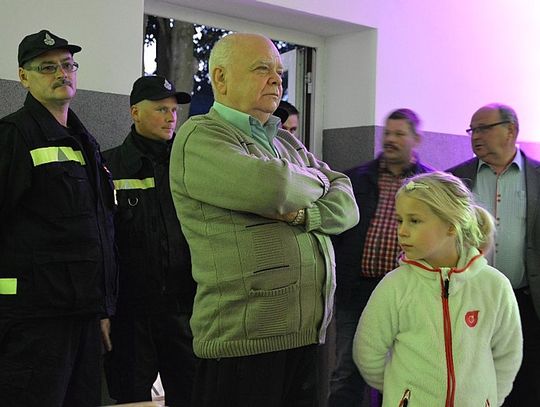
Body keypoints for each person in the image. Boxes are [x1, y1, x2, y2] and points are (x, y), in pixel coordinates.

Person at [169, 32, 359, 407]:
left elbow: (348, 203)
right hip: (244, 345)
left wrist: (307, 213)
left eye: (279, 72)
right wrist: (321, 181)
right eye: (262, 69)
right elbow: (274, 187)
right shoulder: (201, 136)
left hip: (308, 339)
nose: (276, 80)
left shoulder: (285, 141)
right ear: (220, 77)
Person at [0, 29, 117, 407]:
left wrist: (102, 309)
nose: (62, 74)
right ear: (24, 77)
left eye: (67, 65)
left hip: (83, 316)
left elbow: (99, 231)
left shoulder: (85, 141)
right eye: (48, 67)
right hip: (33, 320)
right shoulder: (13, 135)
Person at [353, 171, 522, 406]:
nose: (402, 231)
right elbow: (368, 352)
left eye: (414, 221)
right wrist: (401, 392)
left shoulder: (494, 286)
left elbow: (508, 355)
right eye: (400, 220)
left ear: (451, 226)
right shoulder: (394, 286)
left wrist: (490, 399)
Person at [102, 75, 197, 406]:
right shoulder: (109, 167)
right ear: (135, 113)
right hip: (131, 315)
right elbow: (102, 245)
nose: (171, 117)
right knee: (131, 398)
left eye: (174, 110)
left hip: (185, 310)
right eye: (161, 109)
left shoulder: (190, 166)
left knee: (192, 394)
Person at [328, 108, 433, 407]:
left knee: (402, 369)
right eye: (387, 132)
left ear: (416, 139)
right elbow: (337, 231)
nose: (390, 139)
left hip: (407, 294)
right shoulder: (356, 179)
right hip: (357, 291)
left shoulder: (431, 184)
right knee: (347, 369)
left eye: (399, 134)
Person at [447, 103, 540, 405]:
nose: (476, 136)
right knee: (475, 380)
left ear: (511, 130)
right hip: (473, 300)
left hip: (527, 301)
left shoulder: (537, 177)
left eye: (484, 128)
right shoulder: (455, 179)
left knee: (527, 382)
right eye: (472, 130)